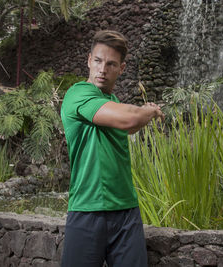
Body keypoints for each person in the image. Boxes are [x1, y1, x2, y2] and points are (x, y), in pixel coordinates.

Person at [60, 30, 164, 267]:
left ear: (122, 68)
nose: (102, 69)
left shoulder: (113, 102)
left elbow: (128, 128)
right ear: (88, 60)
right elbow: (128, 121)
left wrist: (140, 114)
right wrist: (149, 111)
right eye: (97, 61)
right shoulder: (78, 94)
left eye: (110, 64)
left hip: (126, 211)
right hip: (87, 210)